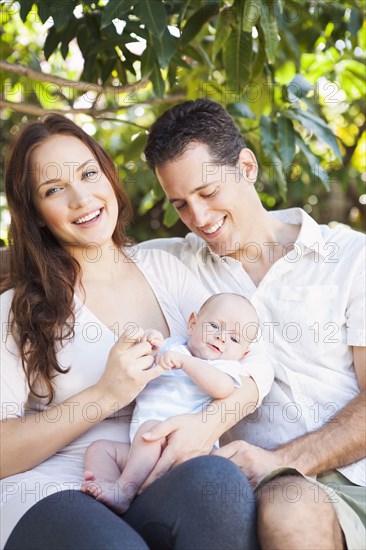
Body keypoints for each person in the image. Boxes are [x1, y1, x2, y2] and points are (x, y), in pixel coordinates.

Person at [0, 114, 267, 549]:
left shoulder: (163, 267)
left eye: (88, 174)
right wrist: (106, 394)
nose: (81, 198)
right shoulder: (18, 309)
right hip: (52, 489)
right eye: (53, 190)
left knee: (217, 484)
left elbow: (255, 364)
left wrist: (207, 423)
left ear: (108, 175)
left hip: (152, 479)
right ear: (35, 212)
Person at [141, 99, 366, 549]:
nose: (200, 219)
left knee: (289, 504)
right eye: (181, 204)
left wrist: (277, 461)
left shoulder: (350, 257)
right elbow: (71, 257)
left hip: (350, 480)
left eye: (208, 193)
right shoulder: (175, 263)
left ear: (246, 167)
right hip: (241, 489)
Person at [82, 293, 267, 514]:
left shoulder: (225, 368)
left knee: (152, 430)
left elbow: (223, 389)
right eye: (215, 326)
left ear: (244, 353)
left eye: (235, 339)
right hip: (140, 451)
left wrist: (186, 363)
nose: (222, 338)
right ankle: (113, 491)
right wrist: (149, 343)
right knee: (100, 449)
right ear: (192, 323)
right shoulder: (172, 346)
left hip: (184, 450)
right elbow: (143, 366)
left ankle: (124, 490)